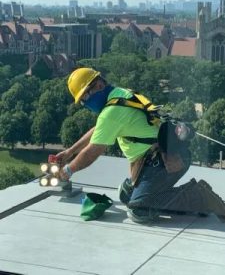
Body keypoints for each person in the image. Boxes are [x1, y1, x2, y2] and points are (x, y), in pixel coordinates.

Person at [56, 67, 225, 223]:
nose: (86, 103)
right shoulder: (119, 95)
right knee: (125, 195)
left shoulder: (111, 112)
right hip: (158, 158)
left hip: (165, 161)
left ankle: (199, 196)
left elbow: (93, 151)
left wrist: (68, 171)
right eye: (82, 100)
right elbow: (98, 130)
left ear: (99, 85)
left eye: (85, 96)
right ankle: (148, 192)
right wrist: (70, 151)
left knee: (139, 209)